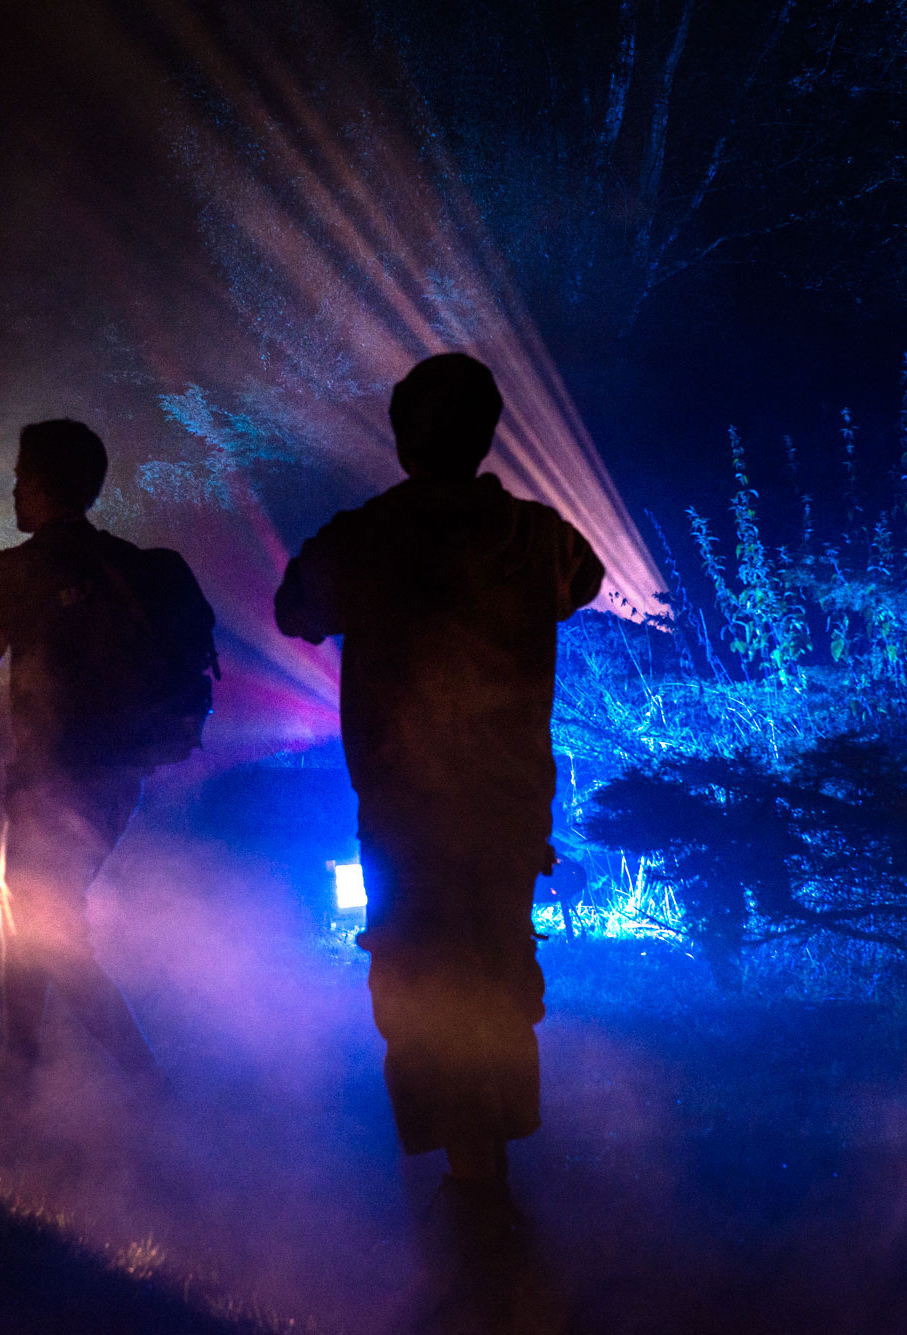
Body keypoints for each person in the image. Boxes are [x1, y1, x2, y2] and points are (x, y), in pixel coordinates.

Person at [275, 353, 605, 1188]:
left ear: (400, 439)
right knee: (497, 966)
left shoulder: (366, 536)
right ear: (488, 435)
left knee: (414, 972)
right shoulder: (538, 536)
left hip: (405, 809)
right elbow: (585, 580)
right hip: (507, 804)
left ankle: (465, 1163)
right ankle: (487, 1159)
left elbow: (293, 610)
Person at [0, 418, 213, 1084]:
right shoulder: (122, 562)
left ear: (40, 483)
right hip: (119, 774)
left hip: (50, 778)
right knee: (27, 909)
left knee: (45, 926)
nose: (12, 489)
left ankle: (144, 1081)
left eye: (19, 476)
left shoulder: (19, 570)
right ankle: (21, 1061)